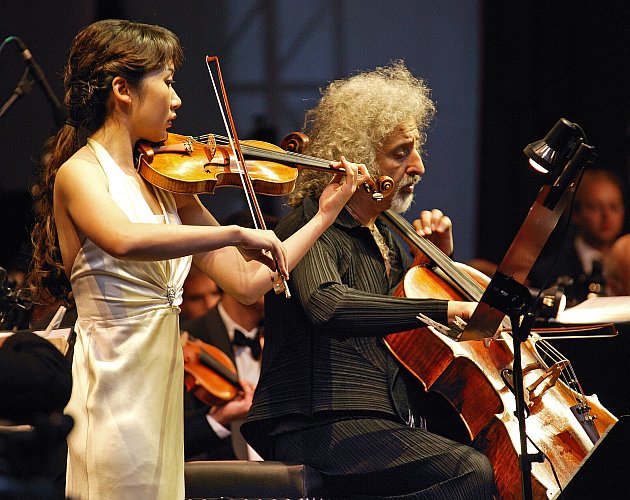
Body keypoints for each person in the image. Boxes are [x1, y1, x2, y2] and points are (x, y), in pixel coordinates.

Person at [25, 19, 366, 500]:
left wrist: (323, 216)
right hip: (112, 387)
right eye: (166, 81)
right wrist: (231, 230)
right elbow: (122, 238)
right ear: (123, 90)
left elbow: (248, 283)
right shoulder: (79, 174)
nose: (178, 99)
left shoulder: (167, 181)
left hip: (160, 390)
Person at [242, 62, 495, 499]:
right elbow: (329, 304)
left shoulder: (389, 238)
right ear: (358, 161)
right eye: (400, 153)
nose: (416, 166)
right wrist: (444, 307)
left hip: (379, 417)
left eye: (415, 151)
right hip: (317, 420)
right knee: (468, 472)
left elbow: (401, 333)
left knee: (490, 464)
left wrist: (435, 267)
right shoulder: (309, 227)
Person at [181, 288, 263, 461]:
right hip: (215, 482)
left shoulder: (289, 335)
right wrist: (217, 419)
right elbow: (164, 441)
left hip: (287, 480)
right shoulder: (185, 343)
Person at [529, 168, 626, 305]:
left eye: (614, 207)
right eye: (594, 207)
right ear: (575, 214)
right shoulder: (547, 271)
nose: (606, 216)